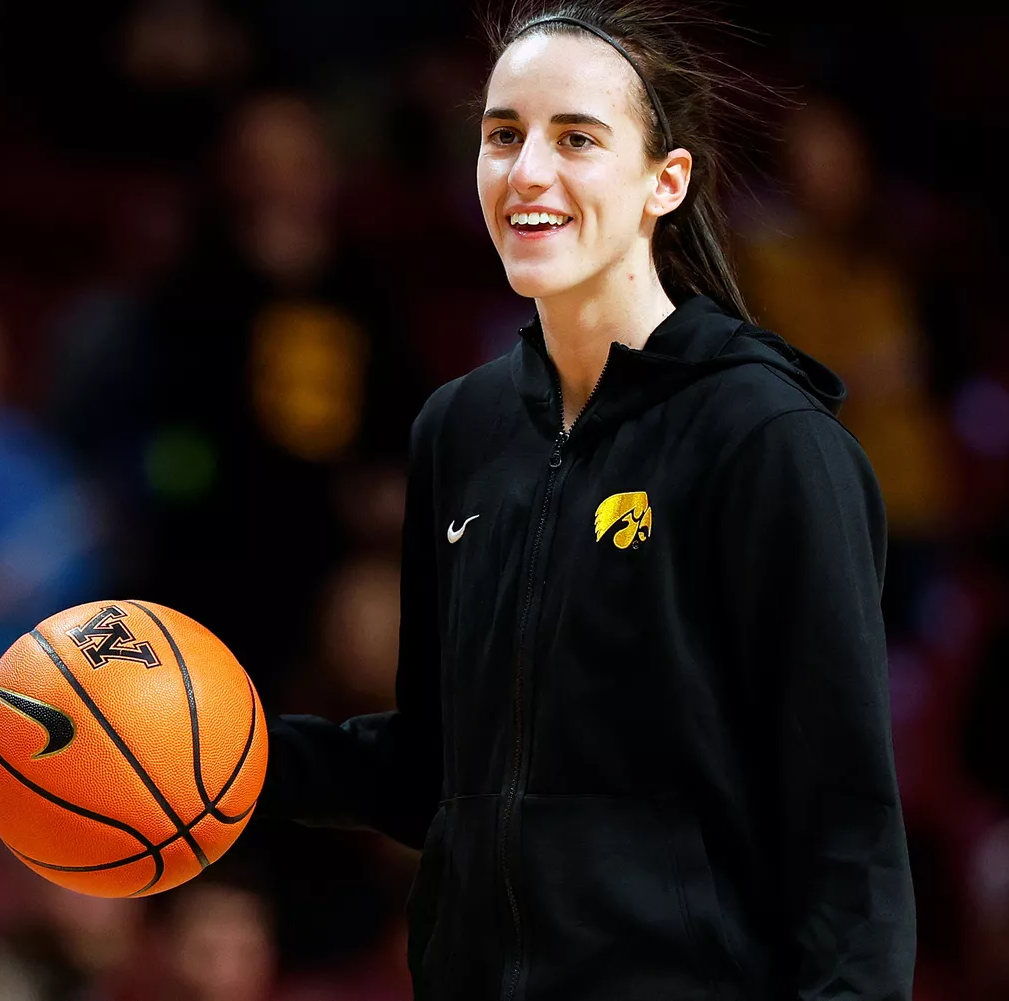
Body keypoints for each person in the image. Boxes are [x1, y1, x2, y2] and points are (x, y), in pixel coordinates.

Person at [264, 3, 915, 998]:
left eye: (575, 137)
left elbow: (845, 824)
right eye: (502, 136)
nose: (526, 171)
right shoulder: (458, 429)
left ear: (667, 179)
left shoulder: (765, 439)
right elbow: (441, 768)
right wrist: (230, 755)